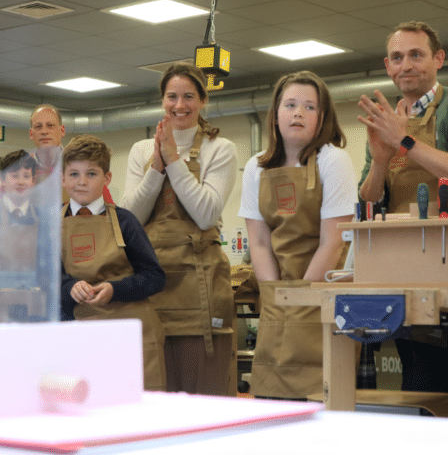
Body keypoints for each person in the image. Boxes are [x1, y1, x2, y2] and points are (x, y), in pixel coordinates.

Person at [239, 70, 356, 400]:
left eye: (309, 107)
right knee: (270, 395)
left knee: (321, 394)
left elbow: (333, 242)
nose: (298, 113)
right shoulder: (256, 167)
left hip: (322, 290)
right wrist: (275, 295)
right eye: (290, 104)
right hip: (277, 293)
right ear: (276, 113)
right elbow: (259, 242)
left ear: (323, 117)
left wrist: (303, 296)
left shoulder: (334, 161)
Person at [122, 63, 237, 395]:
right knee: (157, 391)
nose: (179, 105)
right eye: (172, 96)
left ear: (202, 101)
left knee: (203, 391)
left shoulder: (221, 148)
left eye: (189, 96)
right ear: (162, 101)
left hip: (199, 285)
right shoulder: (142, 151)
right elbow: (130, 217)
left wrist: (173, 160)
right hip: (152, 282)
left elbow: (205, 214)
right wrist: (156, 168)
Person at [357, 21, 448, 393]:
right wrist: (380, 160)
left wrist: (404, 140)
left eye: (416, 55)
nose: (406, 65)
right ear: (387, 65)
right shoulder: (386, 119)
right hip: (402, 266)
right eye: (397, 57)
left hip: (444, 262)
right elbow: (367, 197)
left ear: (438, 59)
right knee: (418, 381)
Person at [60, 134, 166, 390]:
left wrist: (115, 289)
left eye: (91, 174)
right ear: (62, 179)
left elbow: (155, 277)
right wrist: (69, 287)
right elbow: (46, 280)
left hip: (126, 334)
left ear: (107, 178)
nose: (81, 182)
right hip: (77, 334)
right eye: (73, 174)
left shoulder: (125, 221)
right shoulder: (51, 225)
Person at [29, 104, 113, 202]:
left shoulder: (85, 165)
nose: (44, 131)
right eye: (38, 126)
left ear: (62, 130)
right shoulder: (22, 169)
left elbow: (106, 211)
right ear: (31, 133)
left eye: (50, 126)